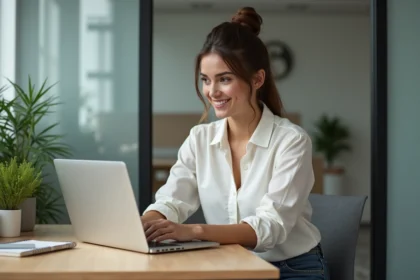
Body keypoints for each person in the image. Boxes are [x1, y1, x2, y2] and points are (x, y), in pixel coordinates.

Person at [141, 6, 329, 280]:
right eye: (206, 80)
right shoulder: (199, 138)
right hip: (229, 263)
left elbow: (271, 226)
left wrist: (193, 232)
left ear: (257, 79)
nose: (212, 92)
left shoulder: (292, 141)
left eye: (225, 79)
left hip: (292, 269)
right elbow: (173, 199)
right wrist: (145, 224)